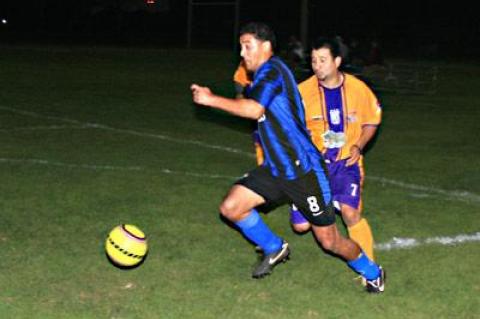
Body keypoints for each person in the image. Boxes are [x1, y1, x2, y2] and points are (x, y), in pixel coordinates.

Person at [191, 22, 385, 293]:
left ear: (266, 46)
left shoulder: (273, 71)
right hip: (277, 169)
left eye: (248, 46)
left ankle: (373, 271)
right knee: (231, 207)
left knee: (329, 241)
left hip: (305, 172)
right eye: (241, 47)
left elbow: (254, 109)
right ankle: (274, 247)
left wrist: (212, 100)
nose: (243, 53)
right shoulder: (261, 76)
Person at [290, 37, 382, 264]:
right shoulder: (302, 92)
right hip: (313, 168)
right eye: (313, 61)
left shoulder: (359, 89)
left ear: (337, 61)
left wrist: (358, 145)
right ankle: (325, 200)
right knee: (300, 226)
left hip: (346, 165)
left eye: (322, 60)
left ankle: (369, 269)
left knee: (351, 213)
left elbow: (372, 121)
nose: (317, 65)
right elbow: (289, 129)